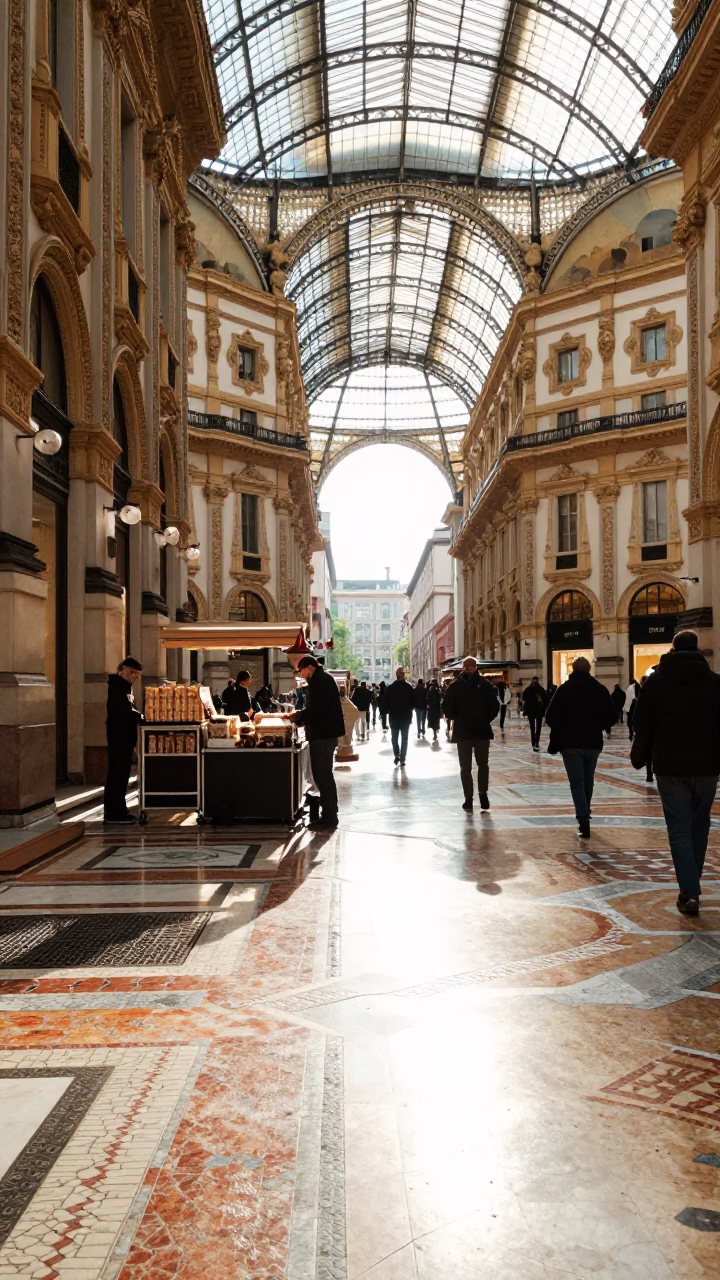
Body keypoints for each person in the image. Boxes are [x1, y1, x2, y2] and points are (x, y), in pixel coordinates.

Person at [630, 630, 720, 916]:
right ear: (698, 650)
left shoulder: (656, 683)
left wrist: (639, 756)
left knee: (679, 829)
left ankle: (689, 891)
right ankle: (691, 886)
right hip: (707, 766)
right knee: (699, 824)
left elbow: (642, 724)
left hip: (669, 766)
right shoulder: (715, 683)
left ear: (672, 649)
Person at [545, 656, 617, 838]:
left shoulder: (564, 689)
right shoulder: (599, 689)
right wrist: (597, 725)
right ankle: (586, 812)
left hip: (570, 743)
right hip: (593, 742)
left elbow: (551, 717)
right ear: (589, 669)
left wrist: (564, 726)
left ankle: (583, 820)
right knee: (588, 779)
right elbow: (612, 715)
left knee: (577, 782)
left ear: (573, 669)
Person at [289, 655, 345, 829]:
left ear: (309, 667)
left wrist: (299, 716)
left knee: (323, 775)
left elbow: (318, 710)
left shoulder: (320, 680)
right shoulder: (322, 679)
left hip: (323, 735)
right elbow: (316, 708)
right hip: (324, 734)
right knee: (323, 775)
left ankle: (329, 816)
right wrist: (301, 716)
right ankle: (329, 813)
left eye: (301, 670)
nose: (301, 674)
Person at [441, 656, 499, 811]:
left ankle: (469, 798)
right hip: (481, 731)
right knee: (482, 765)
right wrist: (485, 719)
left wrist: (457, 717)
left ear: (463, 668)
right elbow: (495, 707)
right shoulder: (485, 685)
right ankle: (482, 794)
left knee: (466, 767)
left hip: (464, 732)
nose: (469, 668)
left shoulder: (456, 686)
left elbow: (446, 708)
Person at [103, 657, 143, 823]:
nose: (135, 678)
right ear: (126, 670)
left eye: (137, 676)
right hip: (119, 737)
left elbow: (130, 709)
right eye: (134, 674)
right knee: (117, 775)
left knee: (122, 776)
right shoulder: (117, 687)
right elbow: (124, 711)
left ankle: (120, 810)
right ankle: (113, 813)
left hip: (124, 738)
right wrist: (141, 716)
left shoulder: (126, 688)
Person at [383, 667, 415, 766]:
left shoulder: (390, 688)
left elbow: (385, 704)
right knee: (404, 738)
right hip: (405, 717)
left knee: (394, 738)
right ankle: (402, 759)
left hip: (394, 717)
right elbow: (413, 703)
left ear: (396, 675)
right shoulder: (409, 687)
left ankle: (397, 754)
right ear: (403, 675)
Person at [522, 676, 547, 752]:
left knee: (532, 727)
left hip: (531, 711)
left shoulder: (528, 689)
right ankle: (536, 742)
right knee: (538, 727)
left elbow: (523, 698)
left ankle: (534, 742)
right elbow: (546, 700)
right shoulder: (541, 689)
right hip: (539, 710)